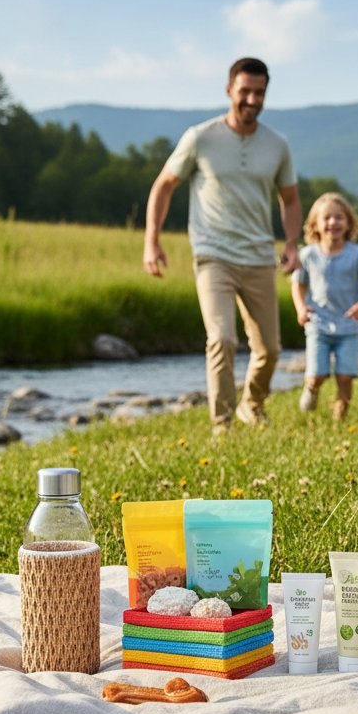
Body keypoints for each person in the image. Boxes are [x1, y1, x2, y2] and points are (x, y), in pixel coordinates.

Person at [143, 57, 303, 434]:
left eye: (259, 93)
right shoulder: (201, 137)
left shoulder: (277, 145)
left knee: (270, 350)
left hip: (260, 257)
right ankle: (223, 424)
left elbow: (291, 199)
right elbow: (164, 185)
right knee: (222, 339)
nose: (251, 99)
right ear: (229, 89)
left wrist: (292, 243)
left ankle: (252, 405)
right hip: (213, 254)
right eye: (244, 91)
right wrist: (152, 240)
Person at [291, 192, 358, 422]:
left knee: (345, 375)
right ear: (315, 225)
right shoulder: (308, 254)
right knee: (317, 373)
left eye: (339, 218)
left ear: (348, 223)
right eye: (327, 218)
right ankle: (312, 388)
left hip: (348, 325)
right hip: (318, 323)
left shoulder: (357, 254)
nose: (333, 223)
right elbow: (297, 285)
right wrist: (301, 308)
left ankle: (340, 417)